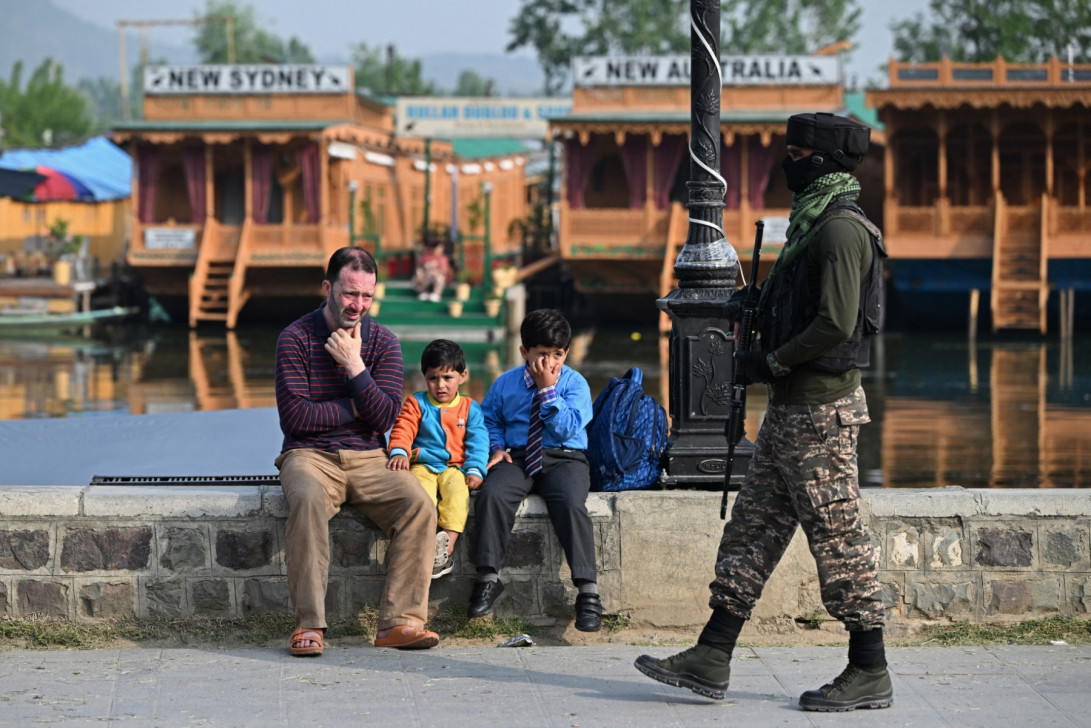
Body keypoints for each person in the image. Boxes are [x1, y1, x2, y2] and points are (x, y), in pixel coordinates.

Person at [635, 112, 891, 710]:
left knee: (839, 538)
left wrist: (769, 362)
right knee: (752, 529)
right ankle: (713, 652)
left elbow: (836, 324)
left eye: (798, 152)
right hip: (789, 414)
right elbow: (805, 306)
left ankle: (869, 667)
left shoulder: (840, 231)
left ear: (823, 162)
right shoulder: (811, 225)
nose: (789, 162)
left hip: (821, 413)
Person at [274, 246, 440, 656]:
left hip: (370, 458)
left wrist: (355, 367)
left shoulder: (383, 342)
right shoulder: (294, 338)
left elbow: (384, 417)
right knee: (309, 499)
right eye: (350, 294)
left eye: (367, 296)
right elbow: (295, 418)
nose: (358, 305)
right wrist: (354, 407)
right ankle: (309, 625)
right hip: (309, 456)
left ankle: (399, 623)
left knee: (419, 503)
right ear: (328, 287)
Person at [469, 308, 602, 632]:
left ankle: (588, 591)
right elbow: (489, 420)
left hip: (564, 457)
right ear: (524, 352)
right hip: (515, 456)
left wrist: (548, 391)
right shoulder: (505, 384)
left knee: (571, 504)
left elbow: (568, 426)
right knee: (493, 494)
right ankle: (488, 577)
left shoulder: (575, 384)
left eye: (558, 354)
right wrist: (497, 447)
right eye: (542, 354)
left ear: (566, 352)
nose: (551, 362)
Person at [387, 338, 489, 579]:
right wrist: (400, 451)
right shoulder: (416, 403)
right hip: (422, 464)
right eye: (433, 378)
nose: (440, 385)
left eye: (447, 378)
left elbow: (479, 441)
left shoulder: (469, 407)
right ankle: (426, 543)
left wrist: (475, 469)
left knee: (457, 496)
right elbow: (403, 429)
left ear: (463, 376)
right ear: (425, 378)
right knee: (422, 496)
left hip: (454, 467)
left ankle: (446, 548)